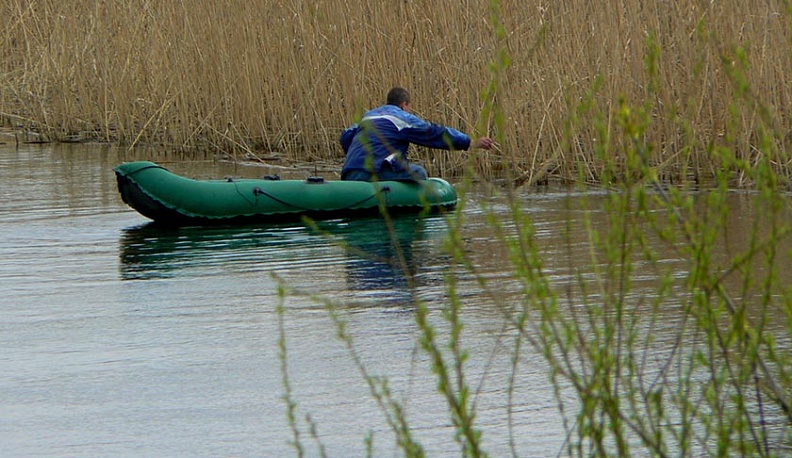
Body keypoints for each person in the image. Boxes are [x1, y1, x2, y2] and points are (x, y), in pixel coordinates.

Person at [340, 87, 494, 181]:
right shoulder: (402, 118)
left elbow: (345, 136)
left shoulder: (367, 117)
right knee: (419, 172)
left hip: (350, 171)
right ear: (404, 105)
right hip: (375, 171)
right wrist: (469, 142)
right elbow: (434, 133)